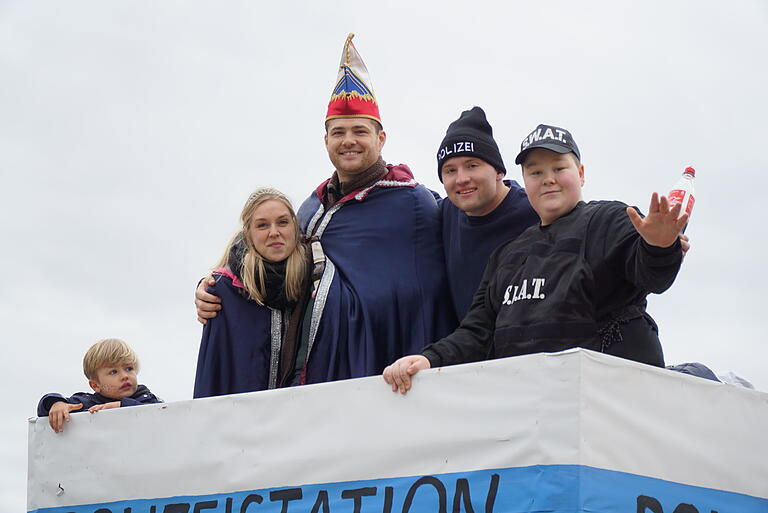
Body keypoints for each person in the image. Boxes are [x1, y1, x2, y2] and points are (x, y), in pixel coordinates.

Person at [195, 34, 455, 383]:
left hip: (384, 360)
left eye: (360, 131)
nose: (348, 140)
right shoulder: (310, 209)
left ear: (381, 139)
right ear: (326, 140)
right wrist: (215, 284)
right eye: (339, 132)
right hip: (313, 371)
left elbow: (431, 285)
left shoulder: (413, 204)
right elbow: (275, 263)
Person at [384, 123, 688, 394]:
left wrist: (659, 246)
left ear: (581, 173)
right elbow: (476, 333)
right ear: (524, 181)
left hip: (609, 403)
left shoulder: (608, 219)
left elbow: (652, 277)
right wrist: (428, 358)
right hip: (530, 411)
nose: (548, 180)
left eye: (559, 168)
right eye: (536, 172)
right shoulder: (507, 255)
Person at [193, 188, 312, 397]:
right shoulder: (224, 292)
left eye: (283, 222)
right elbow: (213, 370)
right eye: (262, 225)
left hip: (301, 413)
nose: (274, 232)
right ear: (248, 233)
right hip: (243, 419)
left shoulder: (313, 282)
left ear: (295, 227)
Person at [437, 106, 539, 320]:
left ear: (499, 172)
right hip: (467, 348)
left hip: (526, 349)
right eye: (450, 170)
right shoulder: (446, 213)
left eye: (472, 165)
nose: (462, 178)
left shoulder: (535, 211)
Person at [37, 338, 162, 433]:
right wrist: (56, 404)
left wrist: (123, 406)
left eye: (129, 368)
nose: (125, 376)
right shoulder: (87, 403)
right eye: (113, 372)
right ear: (95, 385)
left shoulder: (147, 399)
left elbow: (162, 416)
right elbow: (44, 411)